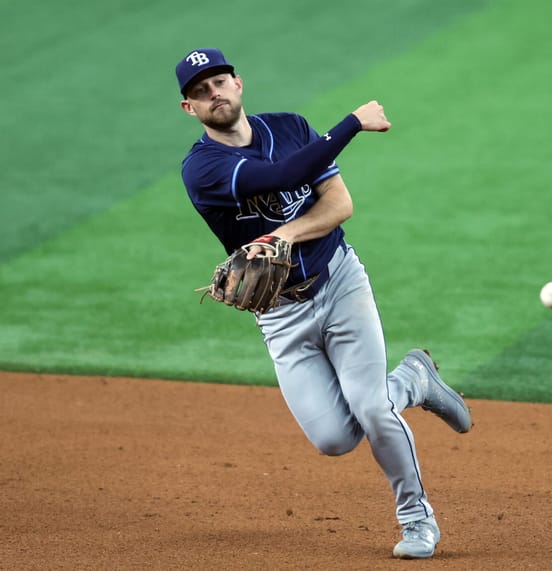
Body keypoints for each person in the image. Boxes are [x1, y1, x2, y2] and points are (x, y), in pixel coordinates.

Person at [175, 48, 472, 559]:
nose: (213, 93)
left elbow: (340, 204)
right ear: (190, 108)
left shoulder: (290, 127)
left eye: (219, 82)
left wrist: (285, 234)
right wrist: (352, 122)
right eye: (200, 91)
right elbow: (280, 178)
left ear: (238, 83)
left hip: (340, 284)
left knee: (373, 410)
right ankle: (413, 381)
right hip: (281, 315)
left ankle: (417, 520)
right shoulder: (202, 168)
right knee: (334, 439)